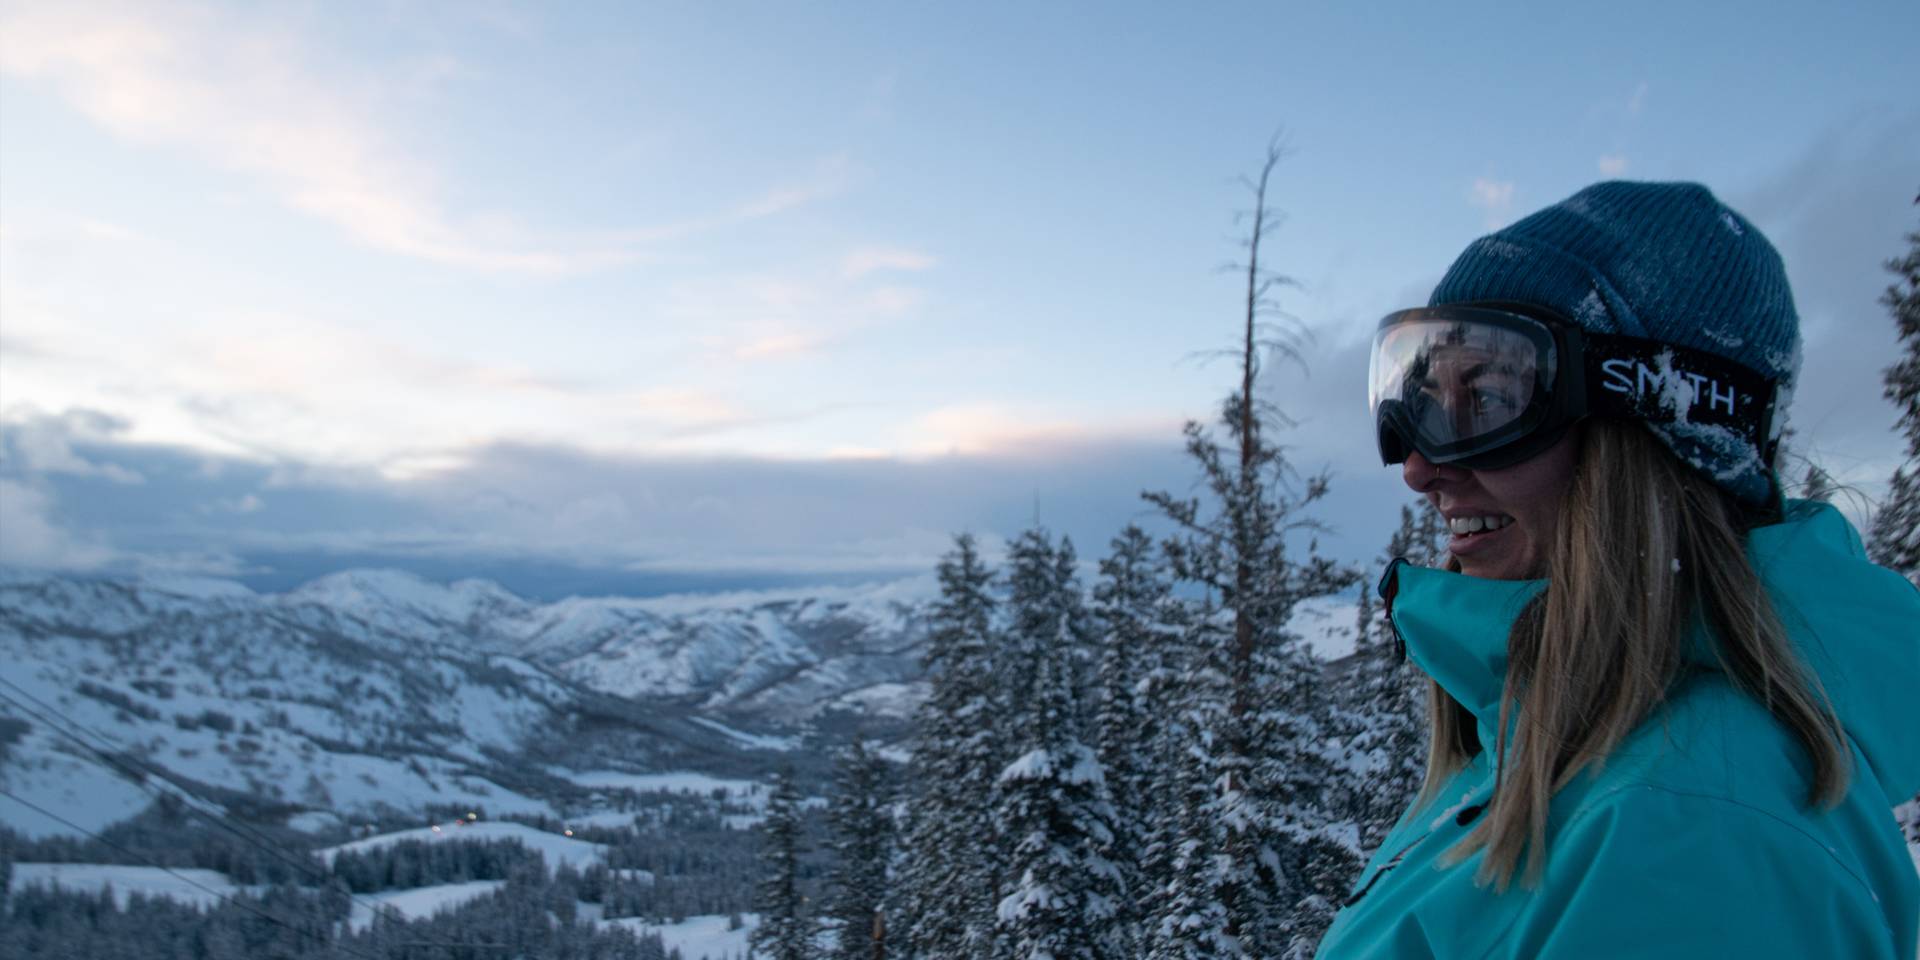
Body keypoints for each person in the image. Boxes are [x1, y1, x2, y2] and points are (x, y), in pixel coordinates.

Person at [1315, 181, 1919, 958]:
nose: (1419, 467)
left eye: (1488, 398)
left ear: (1662, 423)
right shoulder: (1560, 741)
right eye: (1422, 399)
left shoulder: (1697, 827)